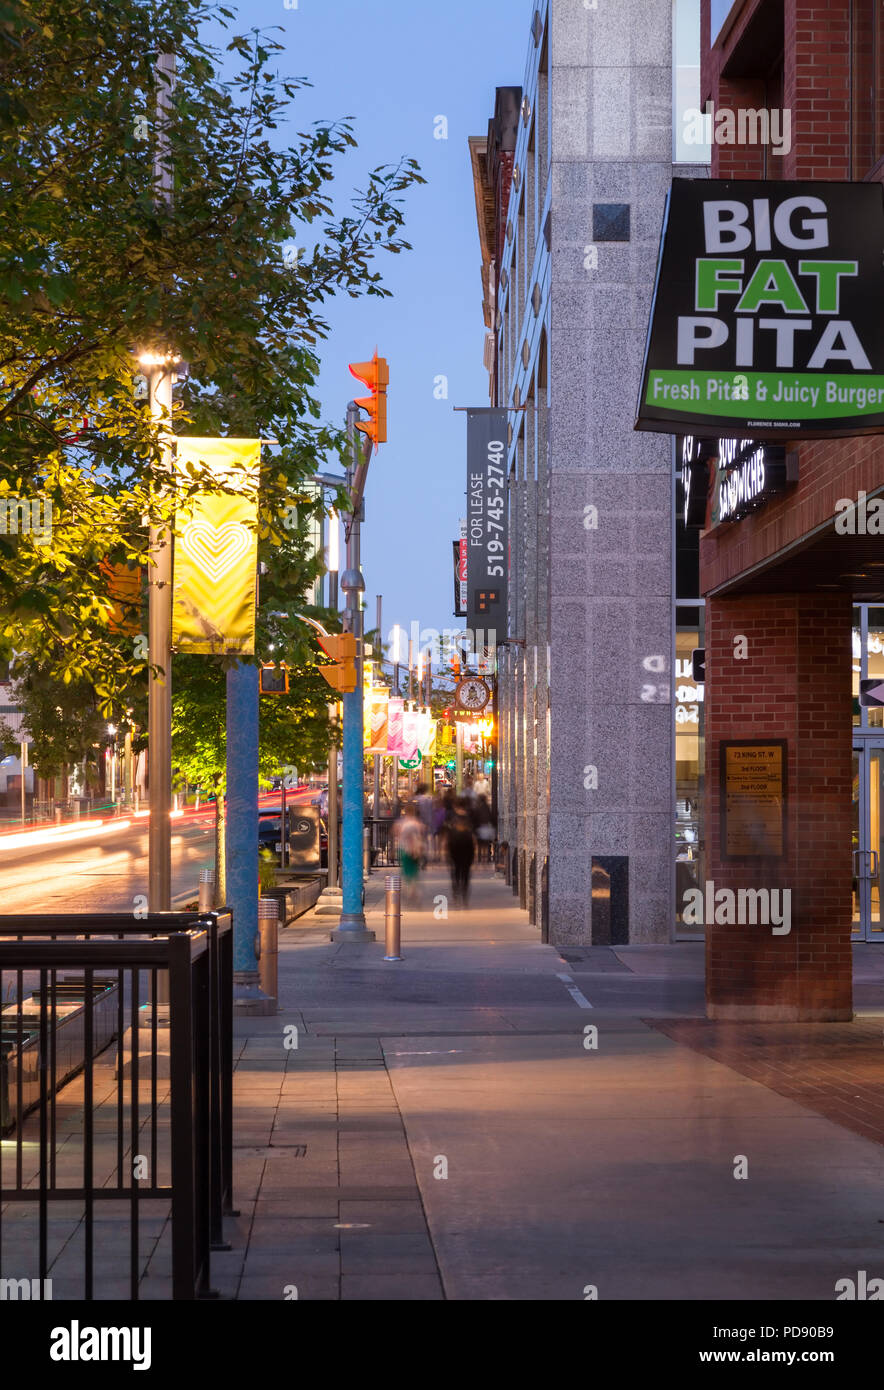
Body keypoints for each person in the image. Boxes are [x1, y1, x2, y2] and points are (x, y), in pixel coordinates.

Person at [444, 797, 476, 908]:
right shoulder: (470, 817)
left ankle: (456, 893)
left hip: (454, 847)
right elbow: (473, 836)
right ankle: (465, 895)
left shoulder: (451, 817)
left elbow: (447, 835)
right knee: (466, 872)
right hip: (467, 848)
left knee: (456, 871)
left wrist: (445, 850)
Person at [393, 802, 426, 908]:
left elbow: (396, 834)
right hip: (416, 850)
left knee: (406, 871)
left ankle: (410, 891)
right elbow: (422, 835)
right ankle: (414, 890)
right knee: (414, 871)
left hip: (405, 849)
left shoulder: (401, 823)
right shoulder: (418, 823)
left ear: (405, 811)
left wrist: (393, 849)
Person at [470, 792, 495, 864]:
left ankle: (480, 858)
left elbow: (475, 819)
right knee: (487, 844)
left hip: (480, 828)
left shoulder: (478, 808)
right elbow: (491, 817)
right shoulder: (487, 807)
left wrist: (474, 829)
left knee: (480, 844)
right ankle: (487, 857)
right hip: (486, 827)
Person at [414, 782, 435, 865]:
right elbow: (431, 812)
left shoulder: (415, 798)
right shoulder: (428, 799)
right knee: (424, 840)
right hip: (425, 823)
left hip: (416, 823)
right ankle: (423, 856)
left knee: (417, 840)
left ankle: (418, 856)